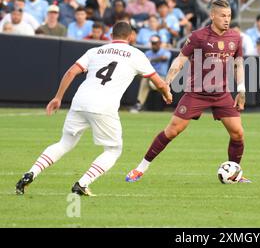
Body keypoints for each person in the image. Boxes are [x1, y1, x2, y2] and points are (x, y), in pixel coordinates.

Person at [15, 21, 172, 196]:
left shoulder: (95, 50)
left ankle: (31, 173)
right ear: (131, 36)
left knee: (64, 143)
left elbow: (70, 73)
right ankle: (83, 183)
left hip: (80, 101)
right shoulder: (137, 55)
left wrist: (58, 97)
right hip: (104, 106)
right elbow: (158, 82)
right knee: (113, 150)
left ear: (111, 35)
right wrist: (167, 93)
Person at [125, 0, 250, 184]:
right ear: (212, 16)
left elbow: (238, 64)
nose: (227, 19)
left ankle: (233, 173)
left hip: (222, 93)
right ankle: (140, 168)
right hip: (196, 92)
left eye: (229, 16)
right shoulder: (198, 36)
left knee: (238, 134)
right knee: (173, 131)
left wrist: (241, 89)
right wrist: (167, 82)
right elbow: (180, 60)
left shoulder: (235, 37)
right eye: (223, 16)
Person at [131, 35, 172, 112]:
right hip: (150, 77)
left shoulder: (165, 51)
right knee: (145, 80)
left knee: (147, 80)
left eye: (155, 43)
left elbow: (165, 58)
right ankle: (139, 104)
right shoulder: (148, 53)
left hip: (162, 78)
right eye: (152, 43)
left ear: (159, 43)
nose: (154, 45)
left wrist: (151, 60)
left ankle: (139, 104)